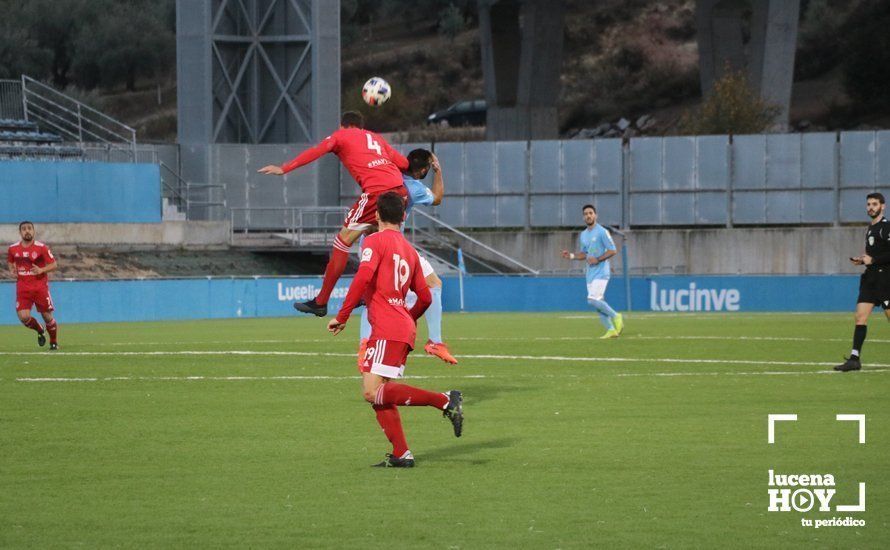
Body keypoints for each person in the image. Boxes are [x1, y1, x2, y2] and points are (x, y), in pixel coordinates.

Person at [328, 191, 463, 468]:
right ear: (403, 217)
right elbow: (425, 297)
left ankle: (445, 400)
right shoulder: (410, 251)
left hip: (388, 327)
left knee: (370, 392)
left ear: (376, 216)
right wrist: (409, 318)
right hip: (397, 325)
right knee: (378, 391)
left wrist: (342, 316)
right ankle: (401, 453)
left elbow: (363, 276)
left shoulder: (373, 241)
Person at [258, 111, 409, 317]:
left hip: (376, 192)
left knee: (342, 241)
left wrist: (285, 168)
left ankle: (321, 302)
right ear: (361, 125)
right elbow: (404, 164)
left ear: (342, 125)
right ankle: (371, 292)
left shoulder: (340, 136)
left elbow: (317, 151)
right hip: (399, 191)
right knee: (375, 239)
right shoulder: (376, 138)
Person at [357, 148, 457, 365]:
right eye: (427, 169)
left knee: (433, 285)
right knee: (376, 296)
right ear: (422, 170)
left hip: (385, 242)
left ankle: (434, 341)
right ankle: (367, 344)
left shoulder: (388, 173)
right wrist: (438, 171)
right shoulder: (414, 188)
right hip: (386, 245)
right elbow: (438, 198)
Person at [835, 192, 890, 372]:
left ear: (883, 206)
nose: (871, 207)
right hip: (870, 278)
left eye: (875, 204)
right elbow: (873, 255)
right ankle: (854, 359)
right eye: (868, 204)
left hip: (885, 278)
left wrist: (873, 260)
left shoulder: (886, 227)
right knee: (860, 317)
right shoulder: (869, 228)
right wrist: (863, 260)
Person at [561, 204, 624, 339]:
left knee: (591, 300)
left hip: (602, 272)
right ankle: (611, 330)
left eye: (590, 213)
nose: (588, 215)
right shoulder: (583, 235)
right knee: (598, 305)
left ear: (595, 215)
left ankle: (616, 316)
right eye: (586, 214)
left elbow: (613, 250)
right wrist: (571, 256)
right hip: (590, 274)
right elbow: (584, 254)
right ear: (583, 217)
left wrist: (598, 259)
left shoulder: (602, 232)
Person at [7, 221, 59, 350]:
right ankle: (40, 330)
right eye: (24, 229)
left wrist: (42, 270)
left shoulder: (42, 248)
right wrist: (12, 269)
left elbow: (54, 265)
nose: (27, 231)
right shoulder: (13, 249)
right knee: (24, 317)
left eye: (29, 228)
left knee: (47, 317)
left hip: (39, 287)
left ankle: (53, 342)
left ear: (34, 231)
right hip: (23, 288)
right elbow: (10, 261)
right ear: (20, 232)